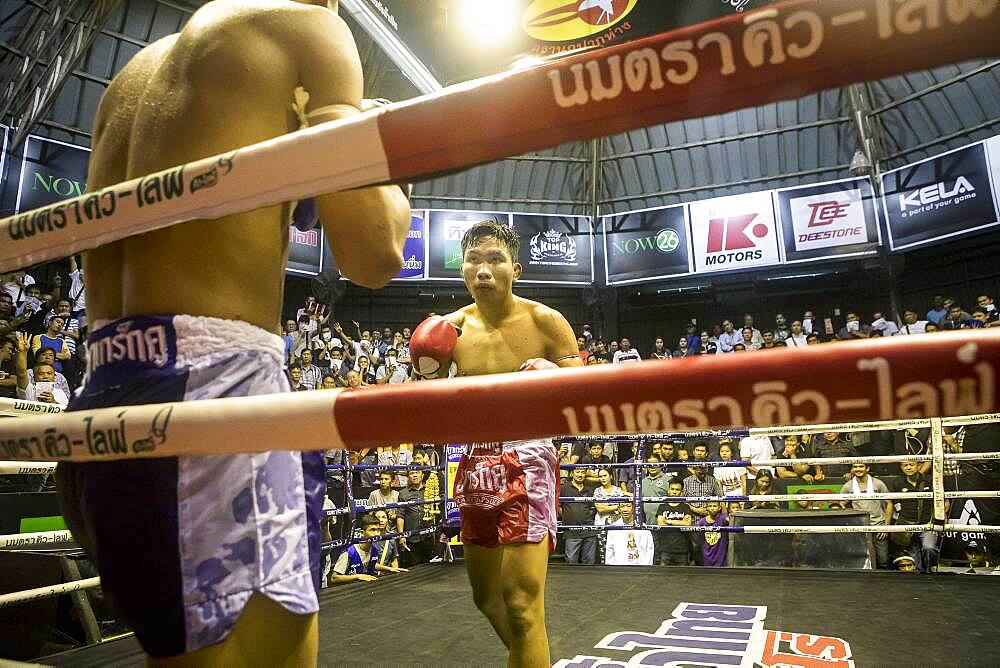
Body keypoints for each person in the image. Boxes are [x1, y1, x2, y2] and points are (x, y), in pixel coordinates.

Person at [55, 1, 412, 663]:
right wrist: (374, 143)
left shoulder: (132, 78)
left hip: (106, 389)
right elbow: (373, 254)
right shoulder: (306, 27)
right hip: (215, 395)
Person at [421, 220, 581, 665]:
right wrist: (427, 369)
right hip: (473, 458)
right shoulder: (448, 330)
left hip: (528, 455)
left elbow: (583, 392)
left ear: (517, 269)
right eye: (474, 259)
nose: (484, 269)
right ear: (462, 271)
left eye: (495, 259)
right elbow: (431, 399)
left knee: (522, 605)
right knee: (487, 599)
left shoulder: (545, 321)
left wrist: (553, 377)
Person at [837, 462, 893, 568]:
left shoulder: (878, 483)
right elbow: (840, 503)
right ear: (852, 469)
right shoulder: (848, 486)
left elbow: (889, 503)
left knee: (883, 560)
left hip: (879, 526)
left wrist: (886, 526)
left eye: (861, 466)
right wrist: (851, 522)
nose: (858, 469)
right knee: (863, 561)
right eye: (855, 467)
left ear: (867, 468)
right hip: (860, 528)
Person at [329, 514, 382, 585]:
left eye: (378, 530)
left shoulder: (374, 549)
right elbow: (334, 578)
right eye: (372, 530)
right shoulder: (349, 552)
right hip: (349, 592)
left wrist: (389, 569)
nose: (377, 534)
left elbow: (368, 564)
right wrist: (357, 576)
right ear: (362, 533)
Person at [560, 468, 598, 565]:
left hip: (589, 530)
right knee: (571, 562)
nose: (580, 475)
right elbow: (557, 506)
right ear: (572, 473)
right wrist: (567, 517)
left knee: (589, 563)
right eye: (577, 472)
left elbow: (594, 506)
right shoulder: (564, 488)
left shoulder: (590, 489)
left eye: (582, 472)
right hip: (572, 531)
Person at [655, 479, 693, 565]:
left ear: (681, 492)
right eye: (672, 489)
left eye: (677, 490)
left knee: (683, 576)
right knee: (663, 576)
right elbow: (661, 523)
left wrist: (668, 521)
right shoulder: (662, 506)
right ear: (668, 490)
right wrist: (680, 522)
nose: (674, 492)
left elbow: (687, 524)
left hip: (682, 549)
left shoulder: (685, 507)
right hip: (665, 549)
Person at [697, 501, 728, 567]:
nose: (712, 508)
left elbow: (730, 519)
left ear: (719, 508)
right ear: (707, 508)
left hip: (720, 555)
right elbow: (701, 539)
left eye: (714, 506)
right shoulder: (702, 521)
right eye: (710, 506)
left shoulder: (723, 518)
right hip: (706, 554)